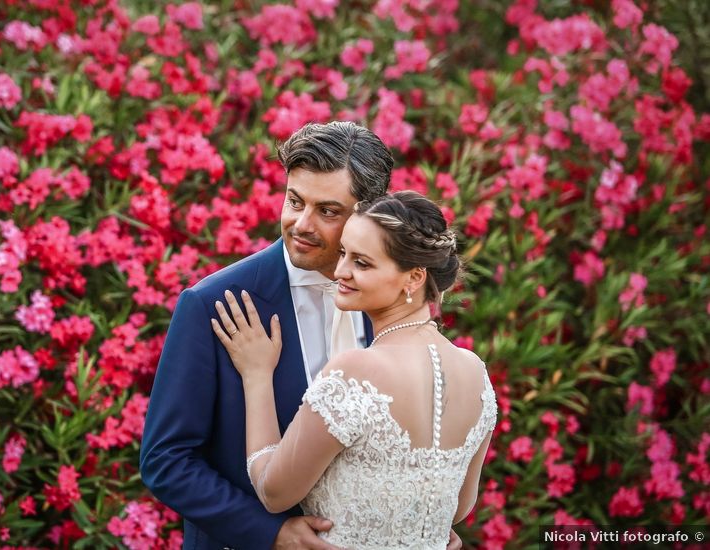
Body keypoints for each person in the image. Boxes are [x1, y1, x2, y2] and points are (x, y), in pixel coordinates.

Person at [141, 121, 399, 549]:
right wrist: (270, 533)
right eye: (295, 201)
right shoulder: (211, 303)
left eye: (328, 211)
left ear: (368, 213)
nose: (302, 223)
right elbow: (165, 461)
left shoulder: (390, 299)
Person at [210, 190, 497, 549]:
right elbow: (456, 508)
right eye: (344, 253)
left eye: (362, 263)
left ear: (414, 278)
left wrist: (256, 375)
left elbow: (273, 491)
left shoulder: (356, 371)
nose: (340, 270)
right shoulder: (475, 373)